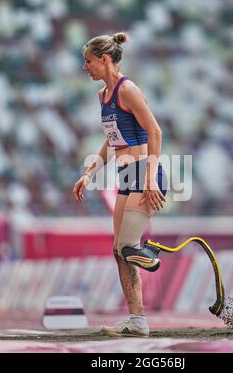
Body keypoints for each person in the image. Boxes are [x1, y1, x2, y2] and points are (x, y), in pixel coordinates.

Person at [73, 32, 167, 337]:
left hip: (144, 173)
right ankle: (137, 319)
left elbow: (155, 131)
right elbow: (111, 142)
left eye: (88, 62)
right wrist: (89, 173)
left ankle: (148, 255)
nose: (84, 67)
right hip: (127, 176)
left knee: (127, 247)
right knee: (118, 250)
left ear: (105, 59)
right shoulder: (103, 96)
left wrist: (151, 179)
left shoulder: (128, 90)